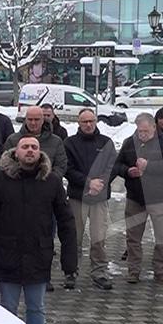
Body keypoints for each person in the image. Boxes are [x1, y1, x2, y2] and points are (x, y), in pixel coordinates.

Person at [0, 136, 77, 324]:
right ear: (16, 152)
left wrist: (70, 261)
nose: (30, 151)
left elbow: (66, 220)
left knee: (36, 309)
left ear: (40, 153)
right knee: (7, 309)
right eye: (25, 147)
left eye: (34, 148)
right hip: (8, 254)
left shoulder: (52, 181)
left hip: (39, 255)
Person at [114, 112, 163, 285]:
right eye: (139, 131)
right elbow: (118, 164)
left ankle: (160, 271)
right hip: (136, 197)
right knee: (133, 237)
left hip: (160, 197)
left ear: (154, 127)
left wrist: (149, 166)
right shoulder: (130, 142)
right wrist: (127, 171)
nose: (142, 134)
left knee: (162, 236)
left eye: (146, 131)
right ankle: (133, 271)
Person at [64, 108, 117, 290]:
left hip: (99, 198)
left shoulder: (106, 142)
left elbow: (113, 166)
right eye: (84, 122)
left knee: (98, 238)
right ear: (78, 123)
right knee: (74, 237)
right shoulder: (69, 143)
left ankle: (99, 272)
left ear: (96, 122)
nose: (88, 125)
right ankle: (70, 271)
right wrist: (88, 183)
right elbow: (68, 169)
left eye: (91, 121)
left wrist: (99, 184)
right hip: (77, 197)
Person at [4, 106, 67, 178]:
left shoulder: (56, 141)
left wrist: (50, 181)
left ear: (43, 120)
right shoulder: (12, 140)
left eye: (37, 119)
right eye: (30, 119)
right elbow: (6, 162)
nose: (33, 123)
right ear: (25, 120)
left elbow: (61, 165)